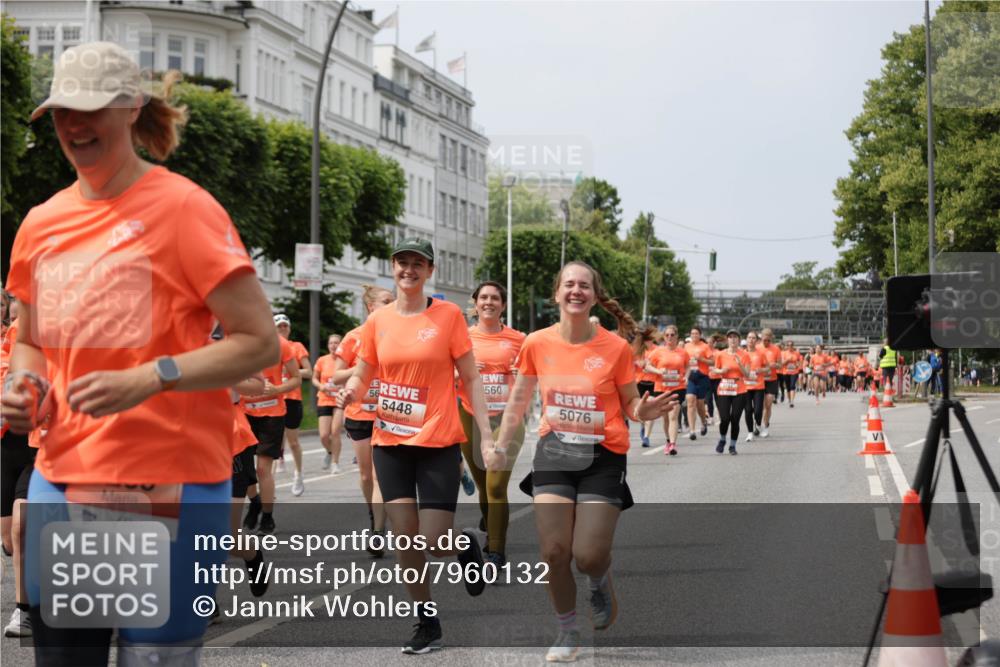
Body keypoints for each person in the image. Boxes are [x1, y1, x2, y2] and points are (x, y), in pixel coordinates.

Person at [1, 43, 279, 665]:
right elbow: (30, 342)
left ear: (130, 107)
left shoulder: (185, 209)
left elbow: (257, 341)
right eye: (60, 111)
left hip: (173, 483)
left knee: (154, 659)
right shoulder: (42, 223)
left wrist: (154, 377)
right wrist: (26, 386)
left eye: (88, 108)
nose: (72, 124)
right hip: (69, 476)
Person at [494, 261, 677, 662]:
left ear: (594, 295)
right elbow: (519, 400)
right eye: (569, 285)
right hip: (555, 452)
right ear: (557, 293)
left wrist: (643, 413)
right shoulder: (537, 343)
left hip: (602, 456)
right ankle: (567, 632)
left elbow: (630, 402)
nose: (576, 291)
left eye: (584, 286)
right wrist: (500, 445)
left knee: (588, 555)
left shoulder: (613, 347)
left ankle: (598, 578)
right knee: (554, 552)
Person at [337, 238, 495, 655]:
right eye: (402, 262)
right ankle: (427, 621)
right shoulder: (378, 321)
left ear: (430, 270)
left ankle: (463, 545)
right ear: (393, 267)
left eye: (417, 264)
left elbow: (472, 379)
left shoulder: (447, 316)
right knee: (405, 541)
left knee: (432, 542)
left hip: (437, 441)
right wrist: (351, 391)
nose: (409, 269)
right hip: (390, 441)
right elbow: (364, 372)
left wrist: (489, 435)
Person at [456, 281, 526, 570]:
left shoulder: (519, 339)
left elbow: (536, 373)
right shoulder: (461, 338)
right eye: (483, 297)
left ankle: (496, 551)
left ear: (503, 305)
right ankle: (490, 526)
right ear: (475, 303)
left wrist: (521, 371)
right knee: (485, 486)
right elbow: (444, 376)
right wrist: (463, 374)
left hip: (507, 419)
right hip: (469, 416)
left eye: (495, 298)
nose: (489, 302)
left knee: (496, 485)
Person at [331, 285, 395, 554]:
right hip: (359, 412)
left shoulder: (396, 336)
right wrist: (362, 368)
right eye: (386, 301)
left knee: (381, 477)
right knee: (366, 475)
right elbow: (336, 376)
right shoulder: (354, 337)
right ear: (371, 307)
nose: (392, 304)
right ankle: (373, 515)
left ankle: (378, 532)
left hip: (390, 412)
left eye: (393, 300)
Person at [239, 325, 300, 535]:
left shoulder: (280, 344)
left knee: (262, 469)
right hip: (243, 413)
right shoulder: (236, 341)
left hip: (272, 414)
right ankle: (255, 501)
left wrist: (278, 389)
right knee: (244, 471)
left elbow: (296, 378)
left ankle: (267, 516)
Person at [1, 291, 36, 638]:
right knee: (14, 536)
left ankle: (24, 610)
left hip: (45, 444)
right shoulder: (18, 332)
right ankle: (26, 608)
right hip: (17, 447)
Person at [273, 315, 312, 495]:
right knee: (271, 442)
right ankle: (269, 483)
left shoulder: (296, 347)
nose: (282, 329)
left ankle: (298, 473)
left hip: (292, 398)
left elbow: (309, 371)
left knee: (293, 441)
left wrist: (291, 371)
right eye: (278, 326)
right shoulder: (269, 348)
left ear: (289, 329)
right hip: (273, 398)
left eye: (284, 326)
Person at [645, 324, 689, 455]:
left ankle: (673, 445)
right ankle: (668, 441)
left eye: (672, 335)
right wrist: (658, 371)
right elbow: (647, 366)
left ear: (677, 337)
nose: (669, 337)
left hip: (678, 387)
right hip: (661, 388)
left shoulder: (683, 352)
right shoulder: (658, 351)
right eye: (667, 335)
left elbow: (688, 367)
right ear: (664, 337)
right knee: (665, 418)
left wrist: (686, 377)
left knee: (673, 415)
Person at [712, 330, 751, 454]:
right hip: (724, 388)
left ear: (739, 340)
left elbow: (747, 375)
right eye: (730, 337)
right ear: (727, 340)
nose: (733, 340)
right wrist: (721, 371)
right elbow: (714, 371)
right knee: (724, 418)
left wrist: (740, 365)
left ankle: (732, 445)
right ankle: (723, 439)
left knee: (735, 419)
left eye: (735, 337)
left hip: (739, 389)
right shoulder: (720, 354)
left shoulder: (744, 355)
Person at [312, 333, 343, 473]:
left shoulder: (345, 360)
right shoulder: (322, 360)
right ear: (328, 345)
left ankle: (335, 463)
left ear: (341, 345)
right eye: (331, 343)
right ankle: (330, 452)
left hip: (339, 400)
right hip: (324, 398)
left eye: (336, 343)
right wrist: (320, 386)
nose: (334, 345)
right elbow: (314, 378)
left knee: (335, 432)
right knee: (324, 435)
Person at [632, 327, 661, 448]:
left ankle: (647, 437)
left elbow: (661, 364)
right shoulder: (637, 351)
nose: (647, 342)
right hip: (639, 382)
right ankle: (643, 426)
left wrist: (652, 367)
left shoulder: (658, 350)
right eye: (645, 339)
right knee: (640, 410)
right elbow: (632, 364)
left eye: (649, 339)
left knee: (649, 408)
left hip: (653, 383)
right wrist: (637, 363)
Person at [683, 326, 713, 440]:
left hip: (702, 377)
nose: (694, 335)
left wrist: (702, 359)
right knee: (690, 400)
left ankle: (703, 421)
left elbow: (712, 362)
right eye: (692, 333)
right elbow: (682, 361)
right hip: (690, 377)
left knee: (700, 403)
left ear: (700, 335)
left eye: (696, 333)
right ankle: (692, 430)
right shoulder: (686, 347)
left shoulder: (705, 347)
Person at [742, 332, 767, 442]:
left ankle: (758, 423)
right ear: (746, 340)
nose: (751, 340)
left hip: (758, 386)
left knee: (757, 410)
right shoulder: (741, 354)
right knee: (748, 410)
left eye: (753, 338)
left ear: (756, 341)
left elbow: (768, 369)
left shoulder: (761, 354)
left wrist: (760, 370)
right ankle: (750, 433)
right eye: (749, 338)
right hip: (745, 387)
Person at [758, 329, 780, 436]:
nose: (766, 340)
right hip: (759, 380)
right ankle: (757, 425)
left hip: (771, 380)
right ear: (761, 336)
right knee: (759, 406)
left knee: (768, 404)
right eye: (764, 337)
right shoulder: (757, 348)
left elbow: (780, 364)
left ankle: (765, 426)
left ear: (771, 338)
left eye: (768, 338)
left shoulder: (776, 349)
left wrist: (775, 365)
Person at [778, 341, 801, 408]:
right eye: (788, 345)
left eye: (791, 345)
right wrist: (788, 360)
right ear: (787, 346)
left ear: (793, 346)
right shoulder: (783, 353)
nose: (790, 346)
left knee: (792, 386)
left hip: (794, 372)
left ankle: (792, 401)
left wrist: (797, 365)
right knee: (788, 387)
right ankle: (789, 399)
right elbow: (782, 363)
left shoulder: (797, 353)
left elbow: (799, 362)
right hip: (786, 372)